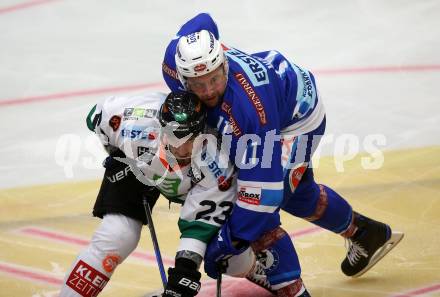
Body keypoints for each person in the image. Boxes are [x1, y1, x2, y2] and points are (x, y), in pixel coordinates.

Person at [162, 13, 404, 297]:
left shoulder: (250, 114)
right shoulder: (175, 59)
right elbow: (203, 20)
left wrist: (231, 242)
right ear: (181, 77)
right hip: (279, 92)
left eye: (214, 80)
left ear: (224, 64)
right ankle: (365, 233)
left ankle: (294, 292)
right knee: (297, 192)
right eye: (198, 85)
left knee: (258, 212)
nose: (209, 91)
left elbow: (263, 197)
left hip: (296, 123)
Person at [59, 91, 269, 297]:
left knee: (229, 259)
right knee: (118, 236)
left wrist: (184, 272)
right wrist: (117, 154)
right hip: (139, 165)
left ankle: (253, 269)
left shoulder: (216, 162)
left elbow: (197, 228)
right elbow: (95, 116)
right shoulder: (132, 119)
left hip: (192, 188)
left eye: (189, 139)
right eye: (174, 137)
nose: (181, 149)